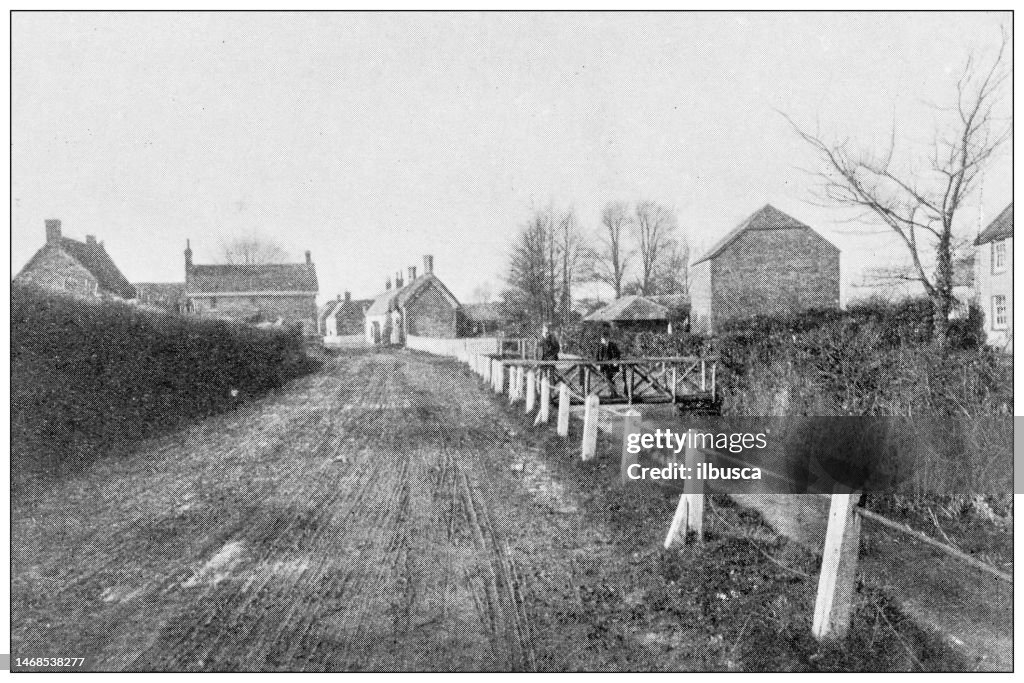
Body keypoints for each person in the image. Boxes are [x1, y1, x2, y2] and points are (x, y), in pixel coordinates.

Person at [596, 330, 621, 395]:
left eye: (604, 339)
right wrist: (598, 364)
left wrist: (615, 361)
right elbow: (597, 356)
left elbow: (618, 354)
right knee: (608, 379)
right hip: (603, 365)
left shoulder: (613, 345)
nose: (603, 340)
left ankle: (613, 393)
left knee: (610, 378)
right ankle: (613, 393)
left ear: (607, 338)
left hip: (611, 365)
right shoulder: (600, 346)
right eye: (602, 339)